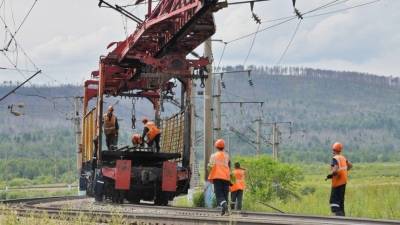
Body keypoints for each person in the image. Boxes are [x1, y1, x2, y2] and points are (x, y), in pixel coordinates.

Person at [326, 142, 352, 216]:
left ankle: (339, 219)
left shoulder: (335, 158)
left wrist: (331, 175)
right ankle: (343, 219)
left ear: (333, 150)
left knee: (333, 202)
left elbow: (335, 169)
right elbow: (350, 166)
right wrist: (344, 171)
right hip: (343, 183)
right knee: (340, 203)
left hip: (337, 184)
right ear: (340, 150)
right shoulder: (343, 158)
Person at [208, 139, 231, 215]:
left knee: (219, 195)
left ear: (216, 147)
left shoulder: (213, 156)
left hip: (217, 177)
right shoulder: (227, 156)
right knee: (225, 195)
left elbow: (210, 167)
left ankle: (225, 206)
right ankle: (225, 211)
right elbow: (229, 166)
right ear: (224, 147)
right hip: (226, 177)